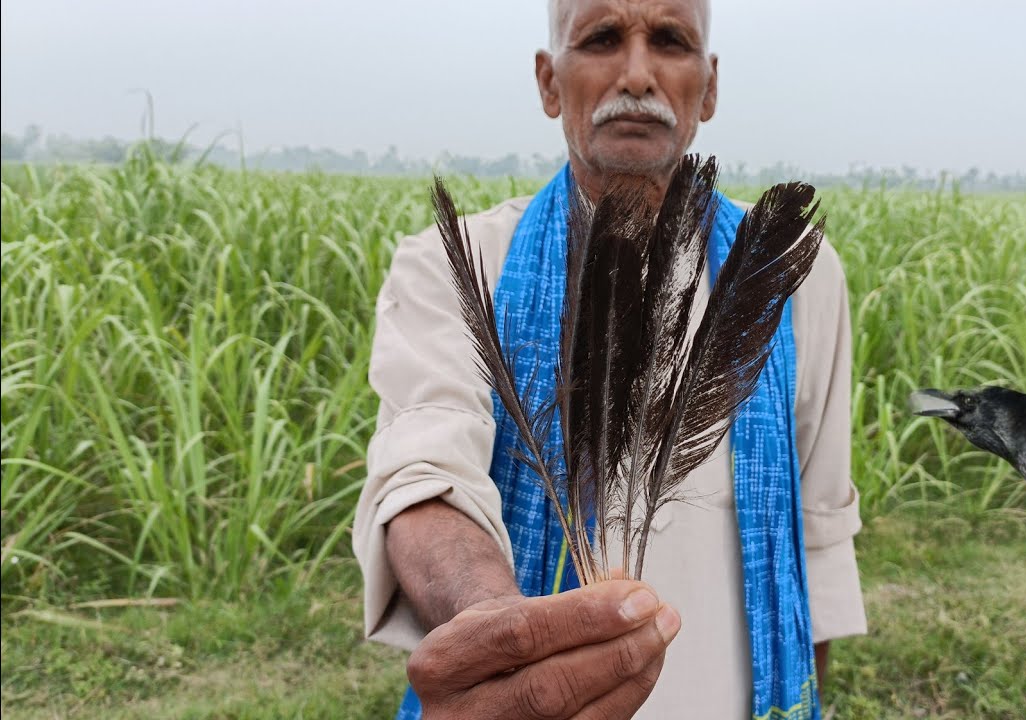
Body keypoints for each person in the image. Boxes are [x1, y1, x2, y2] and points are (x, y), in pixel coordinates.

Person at [352, 1, 866, 717]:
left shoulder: (789, 271)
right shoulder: (457, 266)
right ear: (548, 82)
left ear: (709, 86)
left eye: (670, 41)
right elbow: (424, 477)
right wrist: (502, 630)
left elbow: (818, 524)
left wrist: (805, 697)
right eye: (601, 39)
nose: (637, 74)